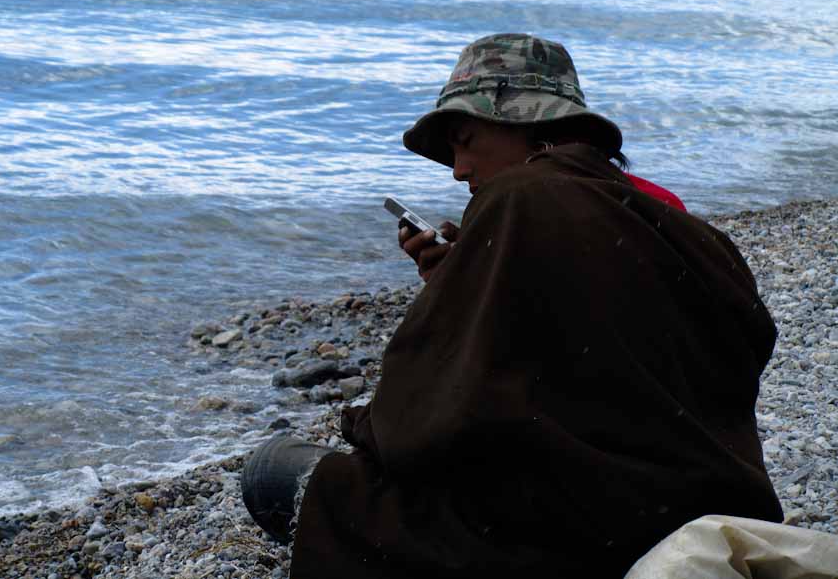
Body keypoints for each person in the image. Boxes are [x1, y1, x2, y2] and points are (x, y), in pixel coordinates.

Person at [245, 33, 783, 578]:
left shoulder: (519, 197)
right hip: (718, 512)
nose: (457, 169)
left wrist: (365, 425)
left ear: (524, 125)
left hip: (591, 535)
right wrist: (461, 279)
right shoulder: (679, 222)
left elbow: (429, 424)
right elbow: (609, 366)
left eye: (464, 140)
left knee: (272, 472)